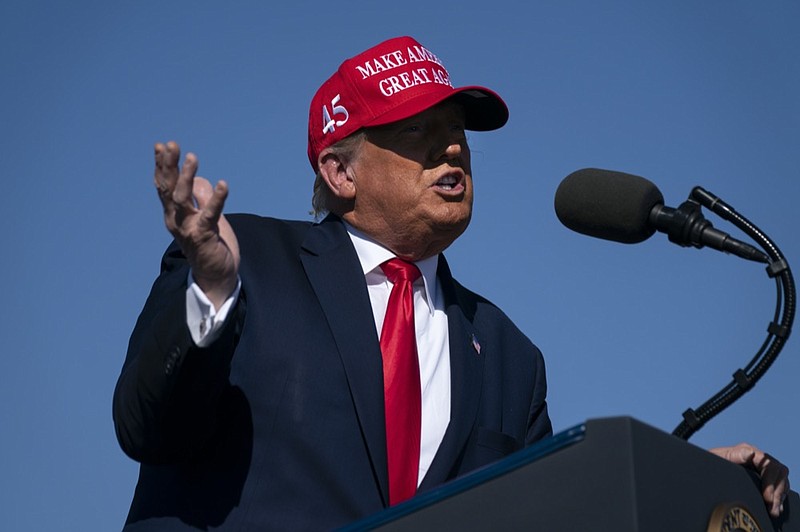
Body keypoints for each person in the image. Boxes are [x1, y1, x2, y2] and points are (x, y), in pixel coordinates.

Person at [113, 36, 789, 530]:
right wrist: (210, 293)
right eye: (419, 132)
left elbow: (547, 514)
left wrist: (693, 485)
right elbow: (146, 427)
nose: (454, 148)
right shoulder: (242, 259)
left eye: (458, 132)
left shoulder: (508, 356)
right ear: (339, 172)